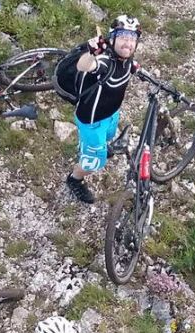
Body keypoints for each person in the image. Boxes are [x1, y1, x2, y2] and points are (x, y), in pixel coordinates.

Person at [60, 15, 143, 204]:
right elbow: (85, 66)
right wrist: (90, 53)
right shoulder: (106, 62)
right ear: (112, 39)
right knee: (95, 161)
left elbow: (128, 66)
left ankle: (98, 147)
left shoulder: (126, 60)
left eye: (132, 39)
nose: (128, 43)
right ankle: (75, 179)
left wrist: (135, 68)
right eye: (123, 37)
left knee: (109, 136)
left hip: (111, 115)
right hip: (92, 123)